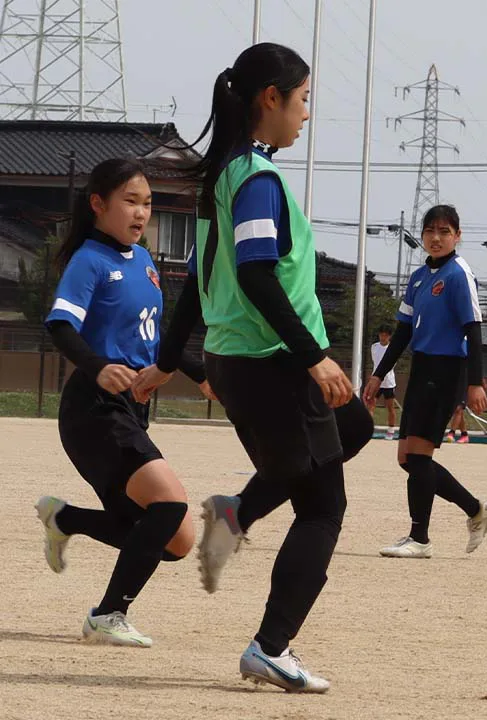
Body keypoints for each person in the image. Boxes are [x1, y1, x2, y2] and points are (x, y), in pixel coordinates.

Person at [136, 42, 360, 693]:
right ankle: (270, 647)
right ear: (271, 99)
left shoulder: (225, 177)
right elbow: (257, 275)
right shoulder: (258, 179)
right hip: (274, 365)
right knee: (324, 507)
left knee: (347, 429)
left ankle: (237, 512)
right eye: (304, 99)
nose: (307, 114)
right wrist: (314, 356)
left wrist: (163, 362)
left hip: (239, 363)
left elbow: (195, 280)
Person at [35, 158, 197, 648]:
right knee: (169, 503)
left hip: (130, 410)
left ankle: (67, 519)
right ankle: (107, 615)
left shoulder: (144, 260)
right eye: (130, 201)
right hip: (93, 410)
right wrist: (98, 366)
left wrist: (201, 373)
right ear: (98, 204)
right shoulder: (90, 260)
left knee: (178, 541)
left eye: (148, 203)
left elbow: (155, 335)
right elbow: (60, 324)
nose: (142, 212)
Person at [363, 204, 487, 559]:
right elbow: (404, 332)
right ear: (422, 235)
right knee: (407, 459)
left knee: (419, 457)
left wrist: (474, 383)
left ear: (457, 235)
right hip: (422, 368)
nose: (436, 238)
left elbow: (473, 328)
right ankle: (475, 510)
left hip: (447, 370)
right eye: (430, 231)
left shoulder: (458, 275)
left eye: (444, 232)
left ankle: (419, 538)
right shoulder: (420, 277)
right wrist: (378, 375)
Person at [369, 325, 398, 439]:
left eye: (385, 335)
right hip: (376, 382)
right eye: (381, 335)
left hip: (388, 382)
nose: (383, 337)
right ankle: (369, 429)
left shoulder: (392, 348)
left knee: (390, 407)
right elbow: (375, 362)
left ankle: (391, 430)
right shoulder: (374, 347)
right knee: (371, 405)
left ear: (389, 336)